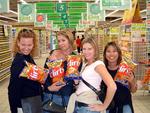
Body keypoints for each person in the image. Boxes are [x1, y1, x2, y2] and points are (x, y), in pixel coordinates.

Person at [67, 37, 117, 113]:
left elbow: (112, 86)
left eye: (90, 49)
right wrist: (76, 82)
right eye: (84, 49)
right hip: (78, 103)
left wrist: (104, 106)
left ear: (95, 50)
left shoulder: (98, 65)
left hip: (88, 107)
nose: (86, 52)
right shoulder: (85, 64)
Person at [43, 30, 81, 113]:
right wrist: (48, 87)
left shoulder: (76, 58)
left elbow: (78, 83)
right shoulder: (53, 55)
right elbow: (44, 76)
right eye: (59, 41)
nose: (60, 43)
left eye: (63, 40)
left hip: (68, 97)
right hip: (51, 96)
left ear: (70, 40)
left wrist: (76, 83)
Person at [8, 28, 43, 113]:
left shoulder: (27, 57)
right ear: (18, 43)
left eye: (29, 45)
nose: (26, 48)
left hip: (31, 100)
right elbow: (13, 88)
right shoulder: (19, 61)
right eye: (23, 45)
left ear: (33, 44)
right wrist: (15, 108)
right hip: (25, 103)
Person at [103, 42, 137, 113]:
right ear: (105, 54)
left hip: (125, 106)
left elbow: (133, 90)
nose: (111, 54)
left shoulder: (126, 69)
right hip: (109, 107)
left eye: (114, 51)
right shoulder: (102, 70)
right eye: (108, 51)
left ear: (119, 53)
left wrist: (132, 81)